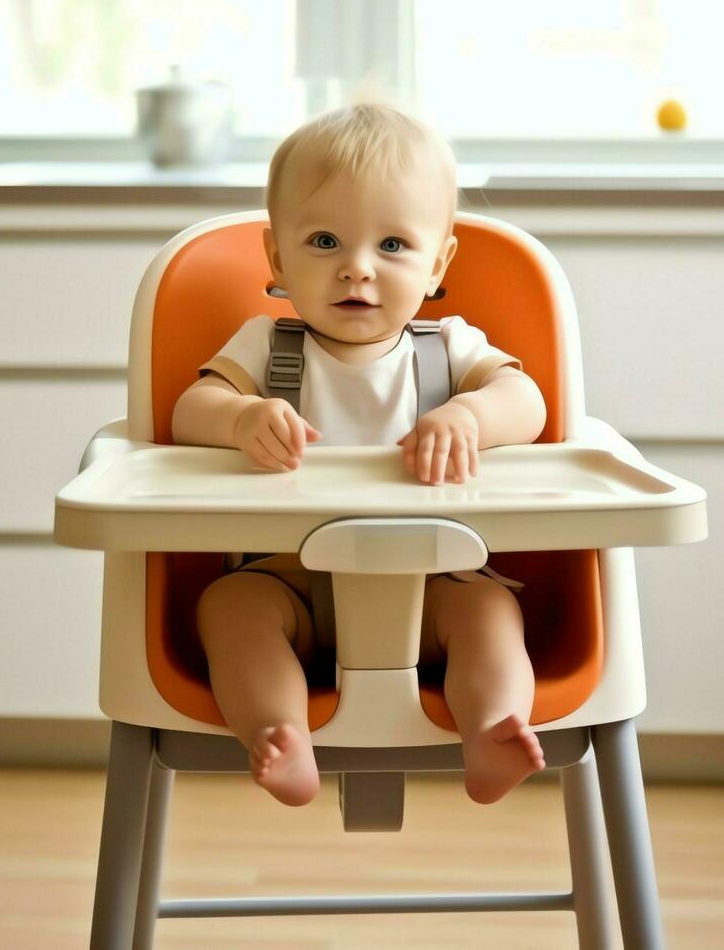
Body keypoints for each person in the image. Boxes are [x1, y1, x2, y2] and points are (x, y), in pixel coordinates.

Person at [169, 102, 548, 807]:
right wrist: (243, 415)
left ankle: (494, 726)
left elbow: (527, 403)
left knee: (490, 609)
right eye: (323, 241)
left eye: (394, 247)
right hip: (289, 588)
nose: (356, 270)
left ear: (439, 262)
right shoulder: (265, 346)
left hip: (435, 584)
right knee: (229, 607)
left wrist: (469, 413)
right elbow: (191, 411)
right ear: (277, 258)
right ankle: (279, 735)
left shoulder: (449, 347)